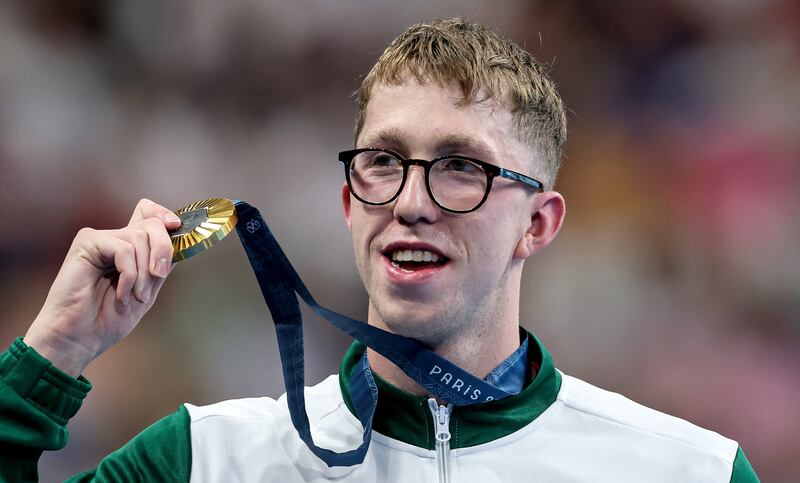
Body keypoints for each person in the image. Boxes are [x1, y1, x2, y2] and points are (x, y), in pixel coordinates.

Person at [0, 18, 758, 482]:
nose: (410, 201)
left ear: (539, 224)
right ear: (347, 204)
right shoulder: (206, 460)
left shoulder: (686, 470)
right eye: (384, 163)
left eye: (461, 166)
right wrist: (49, 357)